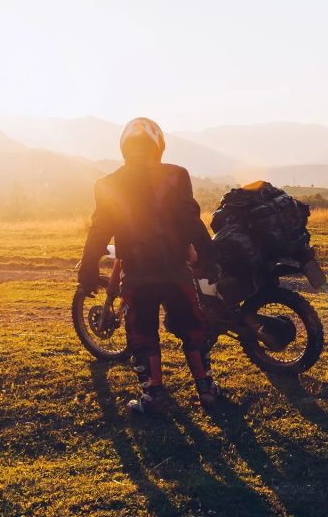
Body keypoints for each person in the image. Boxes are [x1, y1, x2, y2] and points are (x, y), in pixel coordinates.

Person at [78, 118, 222, 415]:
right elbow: (191, 221)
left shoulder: (106, 184)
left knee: (142, 333)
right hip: (175, 270)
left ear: (124, 147)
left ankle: (153, 394)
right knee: (192, 328)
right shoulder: (176, 175)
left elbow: (99, 230)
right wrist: (208, 259)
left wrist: (88, 269)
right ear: (158, 146)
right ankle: (206, 388)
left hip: (138, 274)